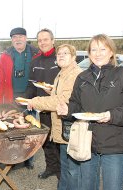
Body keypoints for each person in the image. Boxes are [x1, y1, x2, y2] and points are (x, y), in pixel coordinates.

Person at [56, 34, 123, 190]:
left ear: (111, 52)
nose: (98, 53)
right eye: (94, 49)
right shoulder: (82, 77)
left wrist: (112, 115)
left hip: (115, 145)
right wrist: (67, 110)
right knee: (86, 186)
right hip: (87, 143)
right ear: (89, 53)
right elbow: (76, 105)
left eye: (103, 49)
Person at [27, 44, 82, 189]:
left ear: (74, 57)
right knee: (65, 169)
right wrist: (51, 90)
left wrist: (34, 101)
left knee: (72, 171)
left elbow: (62, 100)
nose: (61, 56)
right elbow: (61, 95)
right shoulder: (62, 72)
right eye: (59, 54)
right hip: (63, 130)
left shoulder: (74, 74)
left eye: (66, 53)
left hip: (71, 129)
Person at [0, 27, 38, 169]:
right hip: (11, 98)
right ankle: (11, 158)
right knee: (11, 129)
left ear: (26, 38)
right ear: (11, 40)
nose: (18, 39)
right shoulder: (5, 56)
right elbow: (0, 82)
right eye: (14, 37)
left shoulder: (35, 53)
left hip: (30, 98)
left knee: (29, 130)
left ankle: (28, 159)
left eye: (20, 36)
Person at [25, 28, 61, 179]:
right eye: (40, 40)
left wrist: (54, 91)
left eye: (46, 39)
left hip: (60, 108)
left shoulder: (60, 58)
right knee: (46, 141)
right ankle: (51, 167)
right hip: (43, 108)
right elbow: (32, 86)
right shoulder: (34, 61)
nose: (43, 42)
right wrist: (25, 101)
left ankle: (62, 171)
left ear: (52, 40)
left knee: (59, 140)